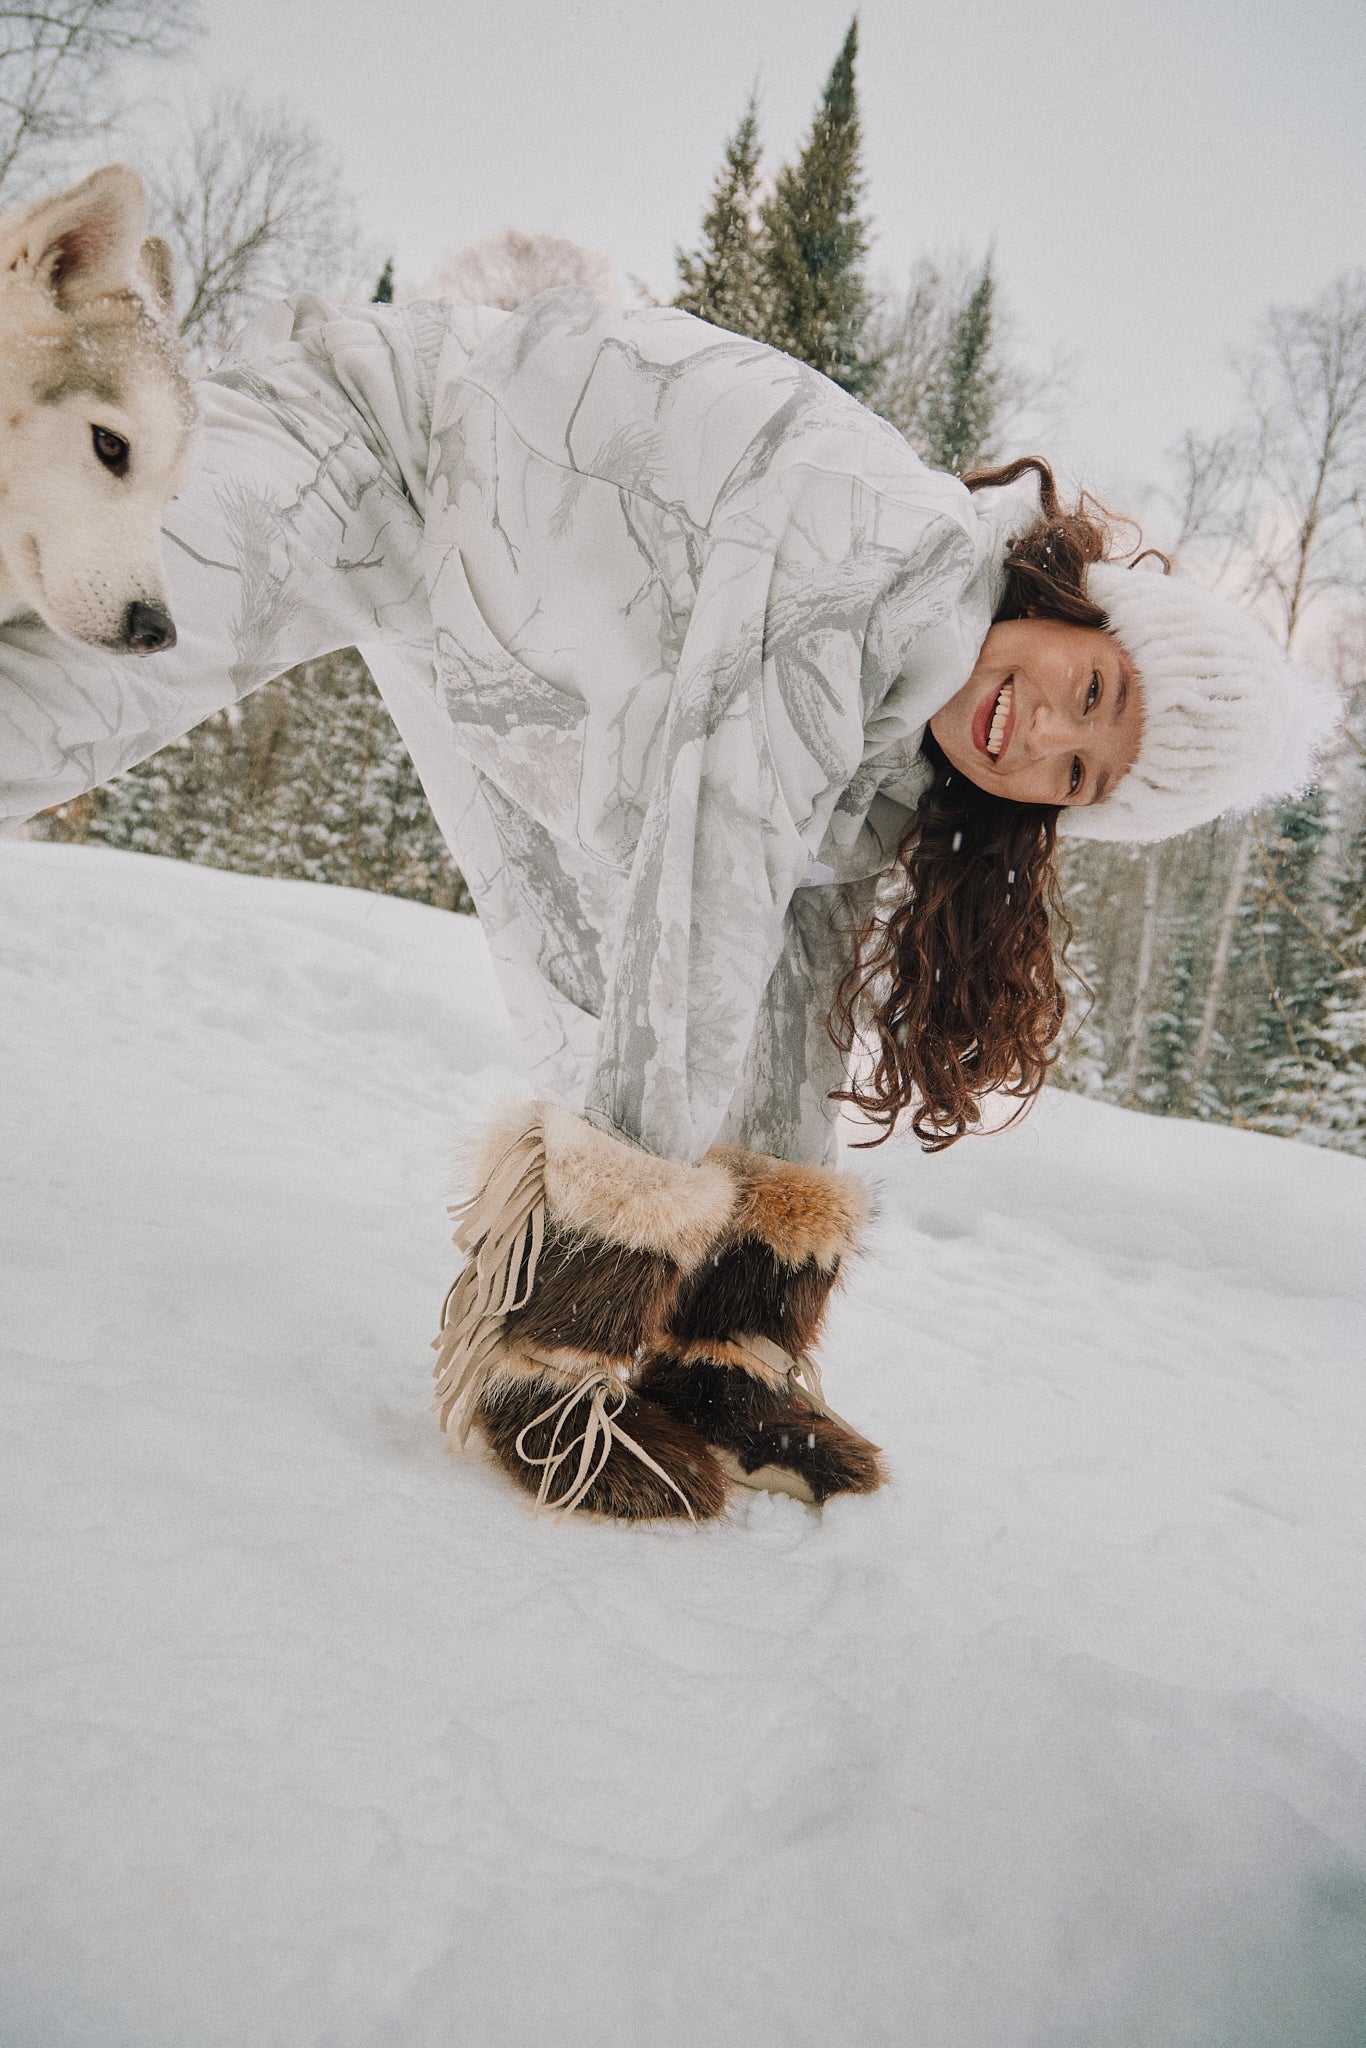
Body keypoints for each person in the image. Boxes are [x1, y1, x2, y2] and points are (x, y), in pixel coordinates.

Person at [0, 286, 1333, 1520]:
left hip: (484, 622)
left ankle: (692, 1346)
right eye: (1088, 692)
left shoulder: (901, 732)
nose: (1038, 733)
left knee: (607, 1005)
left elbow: (785, 968)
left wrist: (743, 1330)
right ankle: (536, 1337)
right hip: (385, 439)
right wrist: (571, 1325)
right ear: (1075, 606)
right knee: (65, 704)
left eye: (1076, 775)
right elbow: (710, 869)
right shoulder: (884, 561)